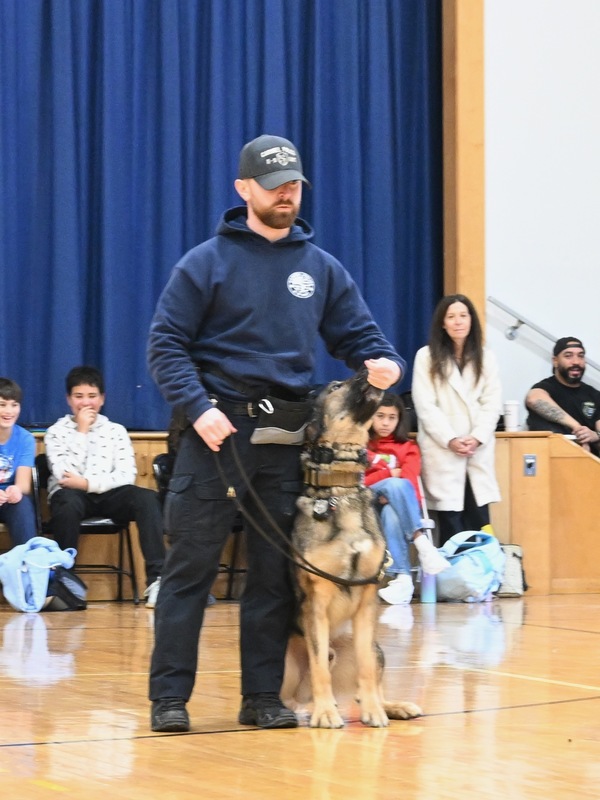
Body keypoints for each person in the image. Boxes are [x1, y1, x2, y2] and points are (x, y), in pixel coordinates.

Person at [146, 134, 405, 733]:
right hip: (214, 434)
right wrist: (199, 405)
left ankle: (262, 697)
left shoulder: (319, 268)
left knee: (272, 576)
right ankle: (170, 699)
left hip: (287, 438)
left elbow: (361, 337)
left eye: (293, 184)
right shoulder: (204, 262)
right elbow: (166, 346)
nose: (286, 194)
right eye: (274, 185)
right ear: (244, 190)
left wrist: (383, 362)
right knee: (190, 572)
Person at [44, 366, 166, 607]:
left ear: (102, 399)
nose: (85, 403)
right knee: (66, 501)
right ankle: (65, 584)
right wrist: (82, 431)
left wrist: (88, 483)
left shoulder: (115, 431)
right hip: (72, 496)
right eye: (78, 397)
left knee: (147, 498)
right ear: (69, 399)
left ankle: (158, 580)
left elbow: (126, 475)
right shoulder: (56, 432)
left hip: (109, 495)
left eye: (92, 396)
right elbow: (63, 474)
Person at [411, 295, 502, 545]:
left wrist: (478, 437)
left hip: (477, 451)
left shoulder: (487, 357)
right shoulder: (426, 357)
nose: (457, 322)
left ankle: (480, 581)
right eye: (451, 317)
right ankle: (453, 583)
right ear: (442, 323)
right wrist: (450, 439)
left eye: (463, 315)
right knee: (450, 523)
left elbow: (492, 403)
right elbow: (425, 405)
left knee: (480, 521)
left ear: (471, 320)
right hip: (443, 451)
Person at [365, 393, 450, 605]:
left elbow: (409, 483)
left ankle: (402, 580)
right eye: (380, 416)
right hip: (365, 504)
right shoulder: (361, 445)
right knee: (394, 484)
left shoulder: (408, 447)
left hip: (394, 506)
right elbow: (359, 482)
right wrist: (388, 476)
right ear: (370, 417)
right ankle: (422, 543)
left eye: (392, 417)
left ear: (400, 419)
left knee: (393, 508)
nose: (385, 423)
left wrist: (391, 489)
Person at [525, 337, 600, 455]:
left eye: (580, 356)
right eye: (568, 356)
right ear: (555, 361)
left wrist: (595, 436)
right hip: (550, 463)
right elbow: (533, 399)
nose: (576, 362)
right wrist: (577, 428)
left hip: (589, 465)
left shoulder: (594, 395)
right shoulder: (546, 387)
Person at [0, 378, 37, 546]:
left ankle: (28, 566)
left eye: (14, 405)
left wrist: (16, 489)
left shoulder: (25, 439)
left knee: (22, 503)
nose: (9, 411)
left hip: (8, 499)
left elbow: (24, 484)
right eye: (2, 404)